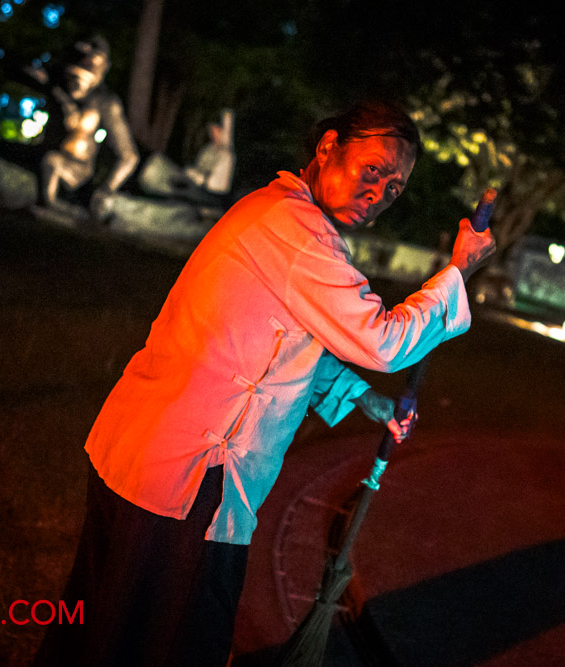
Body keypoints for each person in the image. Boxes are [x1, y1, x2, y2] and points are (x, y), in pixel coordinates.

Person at [34, 100, 495, 666]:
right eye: (372, 170)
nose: (379, 193)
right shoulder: (297, 230)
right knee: (159, 645)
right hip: (188, 479)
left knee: (101, 635)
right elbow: (382, 341)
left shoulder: (281, 216)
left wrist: (368, 402)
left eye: (394, 187)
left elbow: (291, 345)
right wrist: (458, 274)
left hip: (146, 459)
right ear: (328, 147)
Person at [31, 36, 139, 218]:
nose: (86, 65)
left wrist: (107, 189)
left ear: (104, 67)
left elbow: (129, 156)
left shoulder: (106, 102)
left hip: (76, 172)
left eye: (94, 62)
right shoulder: (60, 88)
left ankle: (52, 205)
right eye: (82, 59)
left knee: (52, 161)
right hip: (42, 162)